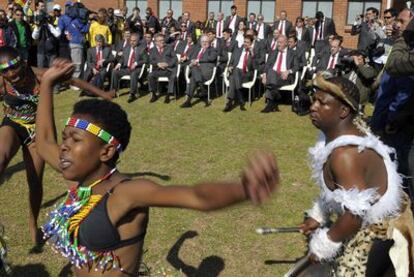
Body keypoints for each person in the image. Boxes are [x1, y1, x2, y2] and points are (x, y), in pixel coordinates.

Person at [36, 58, 279, 277]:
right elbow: (44, 141)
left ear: (106, 151)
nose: (64, 147)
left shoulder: (125, 193)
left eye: (75, 139)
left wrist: (244, 189)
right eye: (65, 137)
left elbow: (196, 196)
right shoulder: (82, 182)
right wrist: (46, 84)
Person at [300, 73, 412, 275]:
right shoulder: (339, 136)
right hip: (367, 224)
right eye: (314, 99)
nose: (313, 106)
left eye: (322, 103)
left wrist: (323, 245)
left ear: (343, 111)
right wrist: (320, 214)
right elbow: (342, 190)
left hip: (377, 235)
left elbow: (354, 215)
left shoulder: (346, 155)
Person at [0, 46, 111, 245]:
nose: (11, 74)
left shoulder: (42, 76)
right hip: (13, 125)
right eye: (4, 71)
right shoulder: (2, 81)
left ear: (23, 62)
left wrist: (103, 94)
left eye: (14, 67)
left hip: (37, 133)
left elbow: (74, 81)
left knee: (34, 182)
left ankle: (33, 225)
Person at [261, 35, 298, 113]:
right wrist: (264, 75)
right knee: (271, 72)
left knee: (270, 78)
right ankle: (275, 100)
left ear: (286, 43)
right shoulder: (273, 52)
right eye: (277, 42)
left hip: (285, 76)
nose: (278, 44)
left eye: (280, 42)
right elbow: (267, 65)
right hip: (273, 75)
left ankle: (271, 103)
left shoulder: (293, 53)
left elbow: (296, 66)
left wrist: (288, 71)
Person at [181, 34, 217, 108]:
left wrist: (198, 61)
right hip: (197, 72)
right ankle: (202, 91)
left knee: (193, 75)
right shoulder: (197, 49)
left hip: (206, 72)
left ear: (209, 42)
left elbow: (211, 58)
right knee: (193, 75)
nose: (204, 43)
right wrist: (192, 62)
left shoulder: (212, 49)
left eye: (206, 41)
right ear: (200, 42)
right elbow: (191, 58)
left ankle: (189, 101)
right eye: (203, 41)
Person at [223, 35, 257, 112]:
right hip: (236, 74)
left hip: (246, 75)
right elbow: (230, 63)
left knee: (234, 75)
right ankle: (237, 99)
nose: (245, 44)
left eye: (247, 42)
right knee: (234, 73)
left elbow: (255, 67)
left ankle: (231, 101)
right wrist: (230, 67)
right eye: (244, 41)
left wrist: (252, 54)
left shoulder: (253, 53)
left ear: (251, 43)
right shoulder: (237, 50)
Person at [111, 33, 148, 103]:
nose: (132, 42)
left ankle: (132, 94)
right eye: (131, 40)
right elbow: (122, 58)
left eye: (134, 41)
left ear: (138, 41)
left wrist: (136, 63)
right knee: (114, 71)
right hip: (127, 68)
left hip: (137, 69)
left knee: (134, 73)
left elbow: (146, 60)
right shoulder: (126, 48)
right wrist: (119, 63)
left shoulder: (142, 49)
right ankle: (114, 91)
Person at [147, 33, 178, 103]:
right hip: (157, 70)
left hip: (168, 69)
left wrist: (167, 64)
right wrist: (157, 64)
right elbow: (150, 60)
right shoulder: (152, 50)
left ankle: (168, 95)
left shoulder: (169, 48)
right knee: (150, 76)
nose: (162, 42)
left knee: (173, 76)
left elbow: (175, 59)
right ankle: (154, 94)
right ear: (156, 42)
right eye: (160, 40)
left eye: (163, 40)